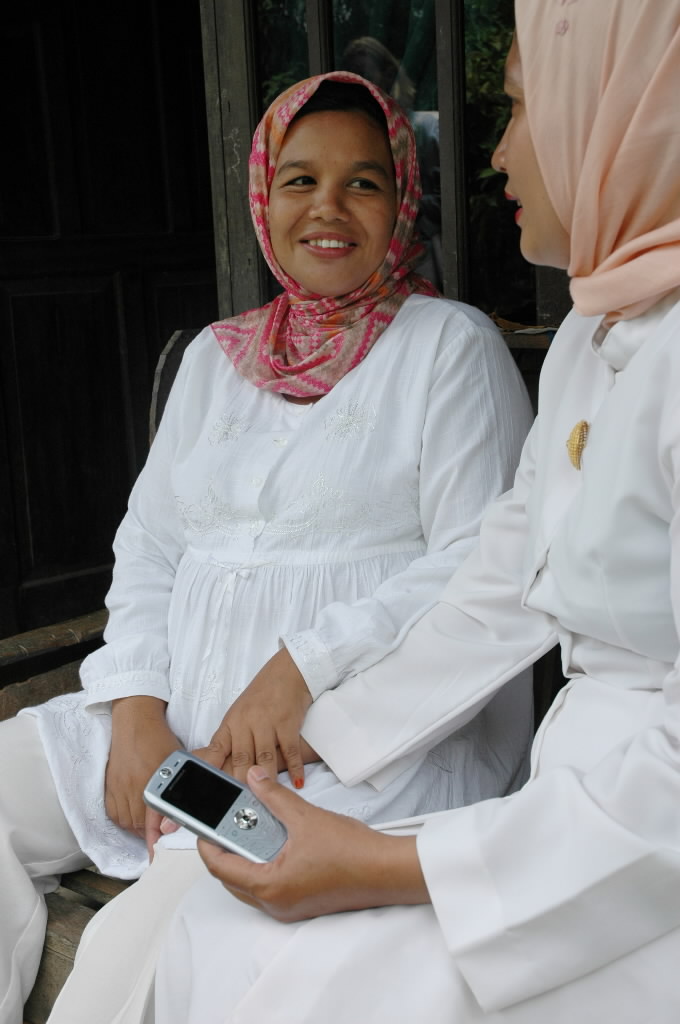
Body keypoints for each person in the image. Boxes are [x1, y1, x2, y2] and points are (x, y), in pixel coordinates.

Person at [153, 2, 680, 1022]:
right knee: (212, 932)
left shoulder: (468, 347)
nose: (490, 157)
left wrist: (398, 864)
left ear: (614, 115)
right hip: (566, 817)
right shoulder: (591, 336)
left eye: (522, 109)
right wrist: (327, 743)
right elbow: (497, 579)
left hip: (627, 850)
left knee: (287, 983)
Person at [0, 72, 534, 1024]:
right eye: (299, 180)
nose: (327, 208)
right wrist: (134, 706)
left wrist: (304, 669)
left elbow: (480, 561)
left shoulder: (449, 347)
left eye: (363, 183)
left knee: (150, 938)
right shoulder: (218, 355)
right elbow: (152, 543)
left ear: (403, 201)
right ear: (262, 195)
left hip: (352, 749)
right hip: (170, 724)